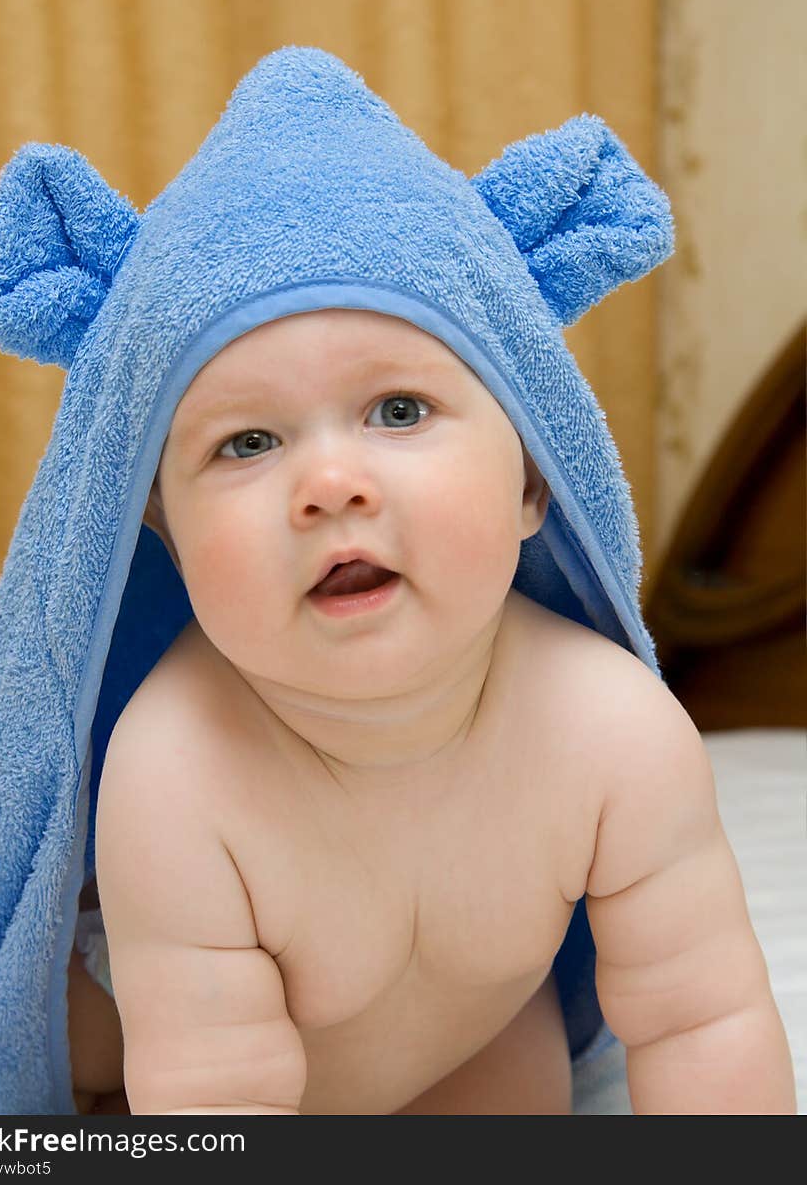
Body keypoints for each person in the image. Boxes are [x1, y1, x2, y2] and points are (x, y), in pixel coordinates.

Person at [66, 306, 796, 1115]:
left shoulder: (615, 728)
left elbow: (700, 1019)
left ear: (528, 477)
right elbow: (213, 1098)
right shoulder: (175, 771)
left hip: (469, 1041)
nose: (329, 486)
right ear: (168, 534)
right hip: (155, 1040)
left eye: (399, 411)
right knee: (45, 1088)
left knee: (522, 1101)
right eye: (248, 442)